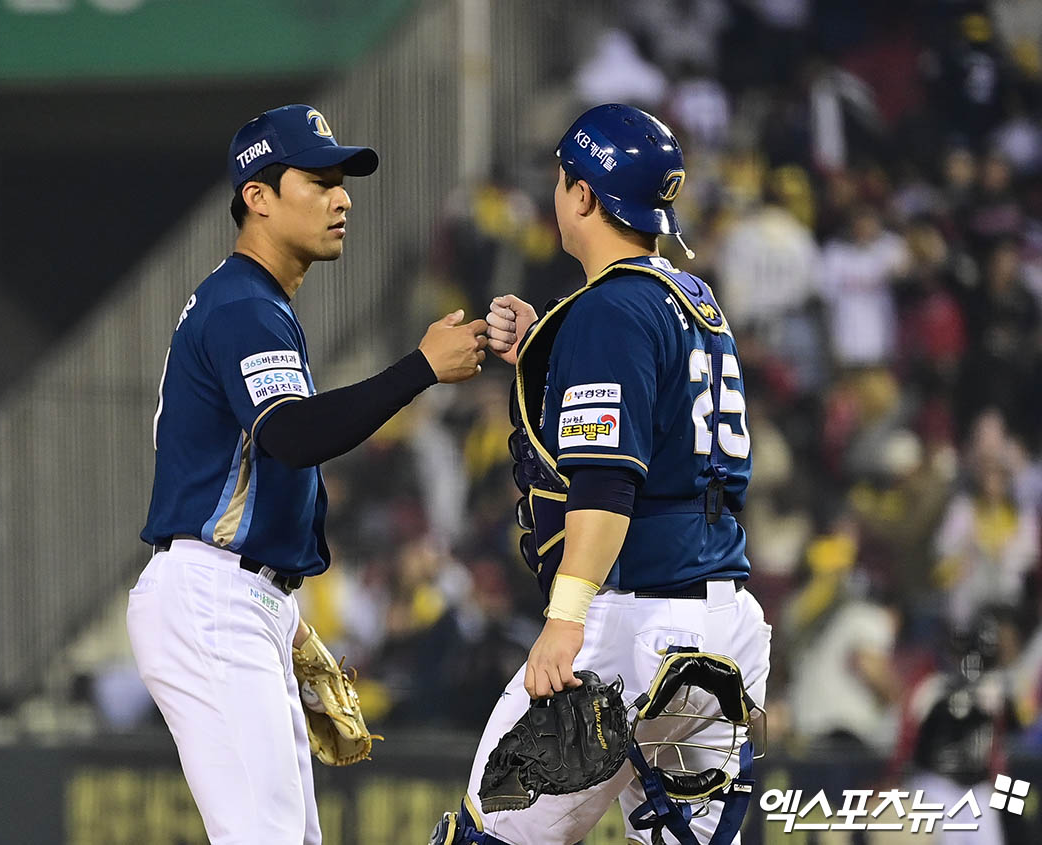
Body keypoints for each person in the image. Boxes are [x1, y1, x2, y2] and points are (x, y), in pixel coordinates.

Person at [126, 104, 487, 845]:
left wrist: (282, 611)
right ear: (257, 195)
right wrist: (419, 368)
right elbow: (292, 435)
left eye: (341, 181)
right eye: (318, 179)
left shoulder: (255, 303)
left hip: (239, 592)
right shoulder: (243, 305)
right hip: (213, 592)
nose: (342, 195)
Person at [429, 104, 771, 844]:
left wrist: (564, 618)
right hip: (723, 622)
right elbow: (649, 400)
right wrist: (549, 347)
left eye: (561, 179)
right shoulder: (694, 300)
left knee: (490, 835)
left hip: (635, 622)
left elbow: (607, 484)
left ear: (582, 195)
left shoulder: (608, 313)